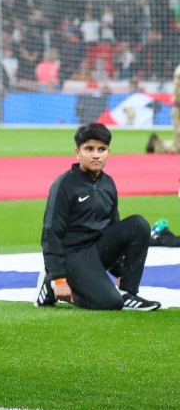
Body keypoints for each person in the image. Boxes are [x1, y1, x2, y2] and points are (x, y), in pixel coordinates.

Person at [35, 123, 161, 311]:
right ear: (77, 153)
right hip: (73, 256)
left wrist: (119, 271)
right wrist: (58, 277)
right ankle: (51, 287)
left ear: (108, 151)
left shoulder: (108, 183)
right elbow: (51, 234)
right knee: (111, 303)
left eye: (101, 149)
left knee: (139, 224)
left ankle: (128, 292)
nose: (96, 155)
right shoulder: (65, 185)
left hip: (97, 253)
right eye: (89, 149)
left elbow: (113, 228)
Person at [146, 63, 180, 154]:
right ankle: (156, 144)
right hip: (178, 109)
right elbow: (177, 90)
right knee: (178, 147)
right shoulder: (179, 72)